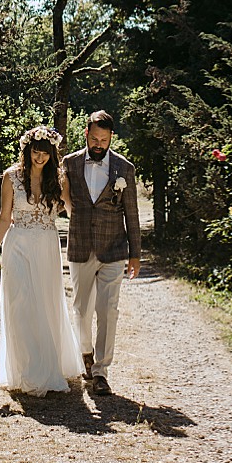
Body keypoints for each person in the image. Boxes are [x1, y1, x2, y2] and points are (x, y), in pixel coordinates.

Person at [0, 126, 85, 395]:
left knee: (44, 304)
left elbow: (72, 211)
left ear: (52, 154)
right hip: (17, 244)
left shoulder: (59, 179)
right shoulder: (11, 177)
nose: (40, 157)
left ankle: (46, 367)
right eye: (35, 152)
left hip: (45, 246)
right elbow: (4, 218)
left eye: (45, 153)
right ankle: (27, 370)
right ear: (27, 150)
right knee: (20, 304)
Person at [63, 109, 141, 396]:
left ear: (111, 138)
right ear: (86, 134)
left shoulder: (124, 168)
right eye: (94, 139)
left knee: (108, 311)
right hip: (81, 245)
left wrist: (135, 254)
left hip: (114, 249)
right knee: (81, 309)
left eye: (104, 140)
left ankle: (101, 372)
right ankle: (86, 353)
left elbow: (132, 213)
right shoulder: (69, 163)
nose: (98, 145)